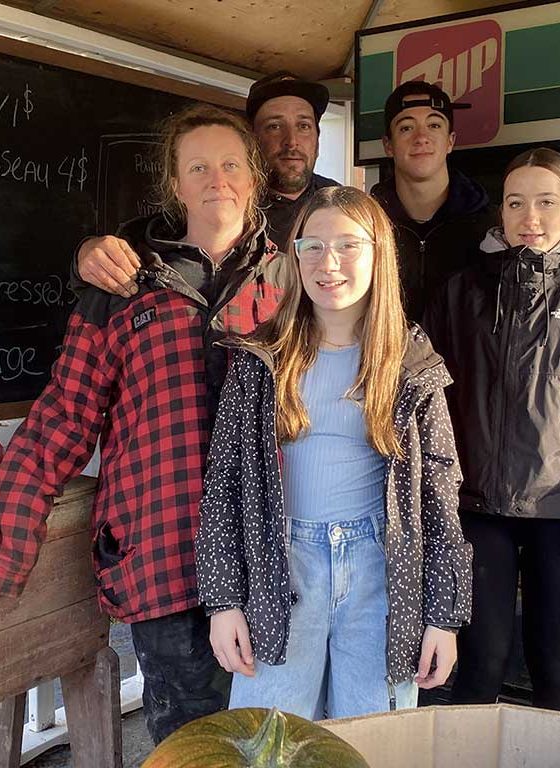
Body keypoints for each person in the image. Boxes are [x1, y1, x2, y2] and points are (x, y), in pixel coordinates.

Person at [0, 103, 283, 744]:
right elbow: (64, 416)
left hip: (272, 555)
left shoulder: (298, 279)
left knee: (278, 737)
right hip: (161, 550)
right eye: (197, 167)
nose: (215, 178)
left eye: (229, 164)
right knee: (190, 743)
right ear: (175, 185)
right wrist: (5, 553)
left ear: (252, 176)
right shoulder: (123, 285)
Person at [196, 186, 472, 720]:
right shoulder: (261, 356)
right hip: (280, 566)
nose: (330, 263)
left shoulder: (411, 362)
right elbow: (224, 483)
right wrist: (224, 601)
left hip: (381, 572)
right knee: (269, 745)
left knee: (373, 745)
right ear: (295, 256)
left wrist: (445, 616)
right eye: (313, 247)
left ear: (378, 254)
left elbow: (439, 494)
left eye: (348, 245)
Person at [422, 147, 560, 712]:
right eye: (516, 202)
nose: (530, 217)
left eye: (546, 202)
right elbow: (420, 395)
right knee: (479, 669)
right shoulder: (461, 291)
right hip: (475, 513)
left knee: (555, 674)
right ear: (500, 212)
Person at [374, 80, 560, 320]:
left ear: (451, 140)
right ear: (388, 144)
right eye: (406, 127)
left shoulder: (495, 229)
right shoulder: (364, 226)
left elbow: (551, 278)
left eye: (434, 125)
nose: (421, 138)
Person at [76, 72, 340, 298]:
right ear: (252, 140)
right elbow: (127, 248)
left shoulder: (343, 206)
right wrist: (87, 253)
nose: (291, 141)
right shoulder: (218, 204)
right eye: (274, 127)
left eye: (303, 126)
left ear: (318, 137)